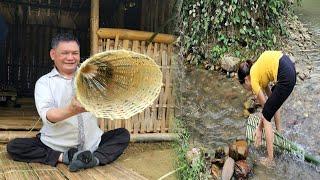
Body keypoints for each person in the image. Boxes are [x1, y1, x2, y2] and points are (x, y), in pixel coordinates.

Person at [7, 33, 130, 172]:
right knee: (15, 146)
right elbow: (48, 116)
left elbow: (108, 99)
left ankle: (92, 159)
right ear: (53, 54)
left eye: (75, 53)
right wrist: (71, 110)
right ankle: (65, 157)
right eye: (65, 53)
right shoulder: (44, 82)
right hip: (56, 144)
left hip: (92, 143)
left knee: (123, 134)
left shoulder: (91, 77)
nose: (70, 58)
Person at [238, 51, 296, 166]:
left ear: (245, 80)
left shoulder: (253, 80)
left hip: (285, 74)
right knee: (274, 103)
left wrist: (259, 130)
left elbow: (265, 111)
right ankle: (280, 133)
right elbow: (271, 101)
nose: (247, 89)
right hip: (290, 69)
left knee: (266, 117)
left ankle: (270, 159)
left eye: (244, 87)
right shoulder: (257, 71)